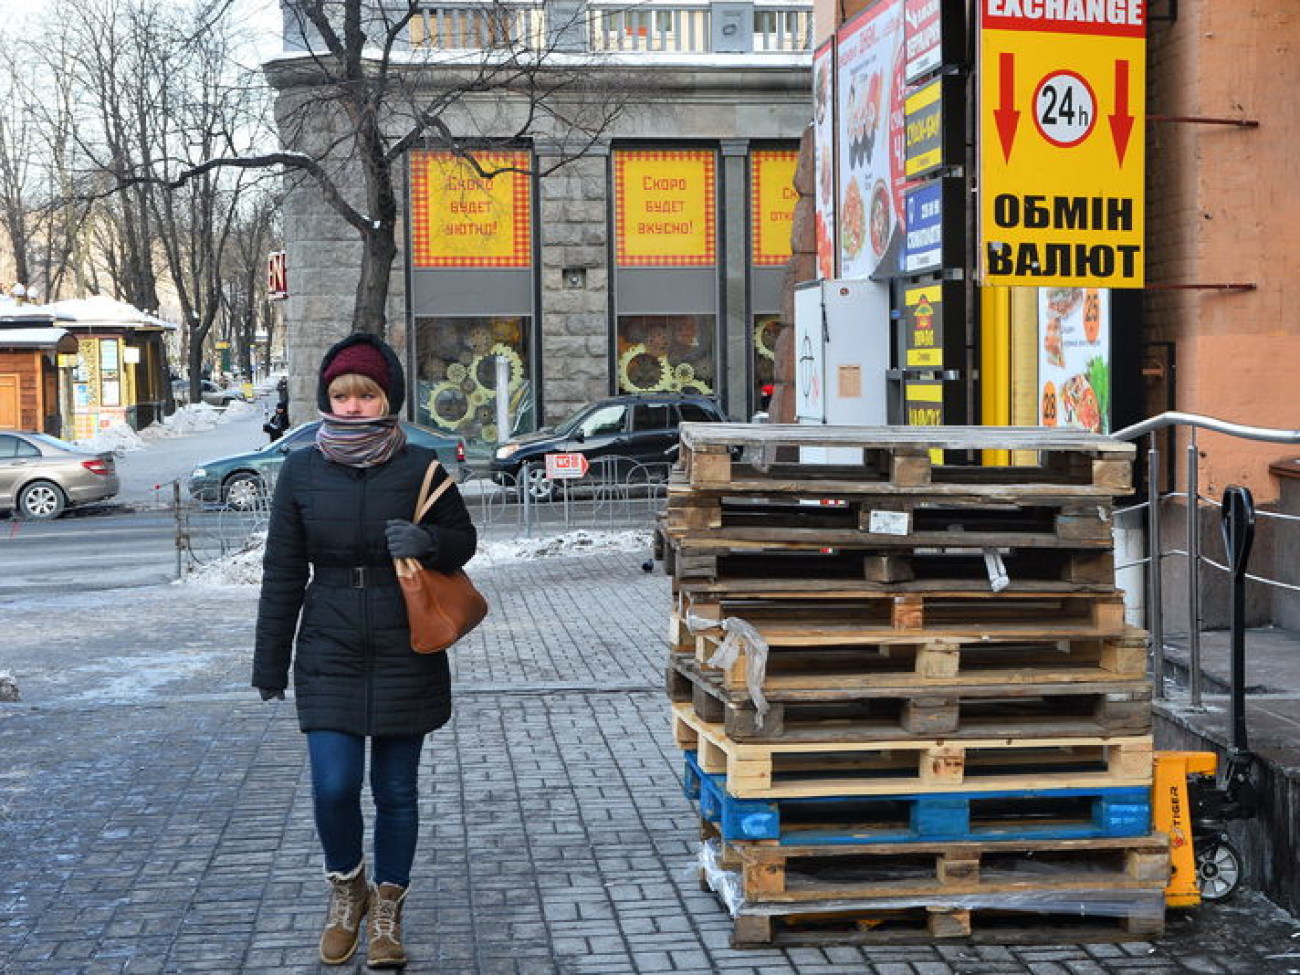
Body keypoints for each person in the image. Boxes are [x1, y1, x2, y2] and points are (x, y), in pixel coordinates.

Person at [252, 333, 476, 969]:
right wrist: (269, 662)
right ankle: (346, 888)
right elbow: (282, 571)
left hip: (405, 641)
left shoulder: (421, 467)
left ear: (388, 399)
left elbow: (462, 540)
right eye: (341, 394)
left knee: (396, 789)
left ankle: (387, 911)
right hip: (329, 643)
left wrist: (429, 542)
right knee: (334, 785)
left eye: (366, 394)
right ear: (327, 397)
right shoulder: (300, 470)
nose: (351, 405)